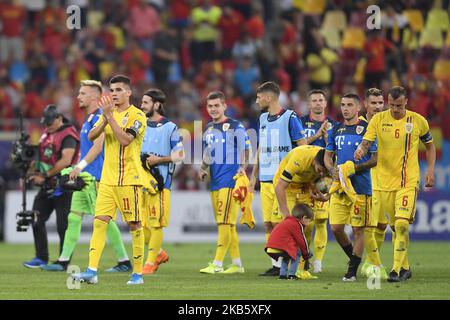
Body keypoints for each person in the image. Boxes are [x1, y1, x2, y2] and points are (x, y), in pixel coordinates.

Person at [40, 80, 131, 272]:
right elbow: (88, 149)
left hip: (96, 177)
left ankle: (124, 261)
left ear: (93, 97)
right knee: (74, 218)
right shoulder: (88, 119)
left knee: (103, 219)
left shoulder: (100, 117)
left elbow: (98, 147)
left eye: (82, 93)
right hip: (87, 176)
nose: (78, 97)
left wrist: (80, 166)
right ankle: (63, 261)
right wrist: (76, 167)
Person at [72, 75, 148, 285]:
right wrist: (105, 117)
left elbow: (125, 140)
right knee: (99, 223)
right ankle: (91, 270)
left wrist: (110, 117)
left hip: (129, 180)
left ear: (128, 93)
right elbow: (92, 137)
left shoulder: (138, 116)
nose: (114, 93)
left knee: (134, 225)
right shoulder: (108, 113)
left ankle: (138, 273)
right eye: (112, 90)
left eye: (118, 90)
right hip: (107, 179)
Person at [355, 86, 436, 282]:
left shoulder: (417, 121)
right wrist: (360, 150)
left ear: (406, 101)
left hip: (407, 182)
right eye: (391, 105)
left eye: (399, 105)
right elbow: (366, 142)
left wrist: (430, 170)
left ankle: (396, 270)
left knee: (401, 225)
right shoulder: (378, 119)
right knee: (391, 226)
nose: (395, 109)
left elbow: (430, 146)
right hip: (382, 184)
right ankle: (406, 268)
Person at [249, 81, 306, 277]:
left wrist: (299, 174)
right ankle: (276, 265)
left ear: (269, 97)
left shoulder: (290, 117)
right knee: (267, 224)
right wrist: (252, 176)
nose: (256, 101)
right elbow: (260, 149)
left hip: (282, 181)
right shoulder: (263, 118)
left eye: (258, 97)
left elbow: (303, 146)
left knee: (281, 222)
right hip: (265, 179)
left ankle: (292, 264)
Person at [324, 93, 380, 281]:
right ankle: (355, 259)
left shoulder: (367, 129)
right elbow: (327, 156)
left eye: (349, 105)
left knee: (358, 230)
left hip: (361, 188)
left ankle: (351, 272)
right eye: (342, 105)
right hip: (340, 188)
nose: (345, 108)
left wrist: (354, 169)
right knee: (336, 228)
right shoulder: (336, 130)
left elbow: (375, 159)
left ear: (358, 108)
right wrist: (331, 169)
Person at [198, 91, 250, 274]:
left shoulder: (235, 126)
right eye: (210, 106)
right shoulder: (208, 129)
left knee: (224, 223)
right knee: (229, 224)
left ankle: (217, 263)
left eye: (216, 105)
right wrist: (203, 168)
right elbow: (207, 153)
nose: (213, 109)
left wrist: (242, 167)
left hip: (230, 179)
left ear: (224, 106)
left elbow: (246, 149)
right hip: (215, 181)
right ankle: (237, 264)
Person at [23, 105, 80, 268]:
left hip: (64, 186)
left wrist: (45, 175)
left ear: (59, 118)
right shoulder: (46, 133)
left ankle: (64, 261)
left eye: (50, 122)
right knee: (36, 218)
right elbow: (40, 157)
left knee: (63, 225)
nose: (47, 125)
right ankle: (41, 257)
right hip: (46, 185)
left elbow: (66, 160)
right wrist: (32, 170)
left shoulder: (68, 134)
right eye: (45, 123)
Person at [140, 88, 184, 274]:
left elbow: (180, 154)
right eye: (141, 103)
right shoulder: (139, 125)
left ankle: (150, 262)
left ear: (157, 105)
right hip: (139, 182)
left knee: (155, 224)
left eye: (145, 103)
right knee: (139, 226)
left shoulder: (170, 128)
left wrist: (158, 160)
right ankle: (158, 252)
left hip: (159, 184)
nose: (141, 106)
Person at [273, 145, 330, 279]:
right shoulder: (299, 159)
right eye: (320, 170)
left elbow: (318, 178)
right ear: (315, 161)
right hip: (287, 186)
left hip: (305, 185)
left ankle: (302, 269)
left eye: (324, 172)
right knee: (293, 226)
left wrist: (323, 194)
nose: (322, 174)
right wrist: (286, 214)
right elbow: (280, 186)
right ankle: (285, 268)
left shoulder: (327, 160)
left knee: (308, 225)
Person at [299, 89, 337, 274]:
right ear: (309, 104)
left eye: (320, 100)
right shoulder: (300, 122)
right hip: (305, 176)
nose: (317, 103)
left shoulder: (335, 125)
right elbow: (296, 145)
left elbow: (337, 151)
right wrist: (317, 136)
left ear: (325, 103)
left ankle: (318, 262)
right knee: (306, 221)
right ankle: (305, 255)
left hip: (324, 177)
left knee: (321, 221)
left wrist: (328, 139)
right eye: (314, 100)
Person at [360, 88, 387, 277]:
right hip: (368, 181)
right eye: (373, 103)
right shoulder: (359, 126)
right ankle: (375, 265)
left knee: (382, 225)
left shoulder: (389, 124)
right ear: (365, 104)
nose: (377, 107)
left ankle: (369, 262)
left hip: (387, 180)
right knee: (369, 224)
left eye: (380, 103)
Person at [265, 203, 313, 280]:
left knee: (287, 256)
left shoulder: (287, 221)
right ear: (304, 218)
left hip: (270, 247)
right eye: (309, 220)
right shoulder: (297, 224)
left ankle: (282, 275)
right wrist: (306, 254)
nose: (309, 223)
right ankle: (291, 275)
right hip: (279, 246)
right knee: (298, 253)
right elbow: (302, 241)